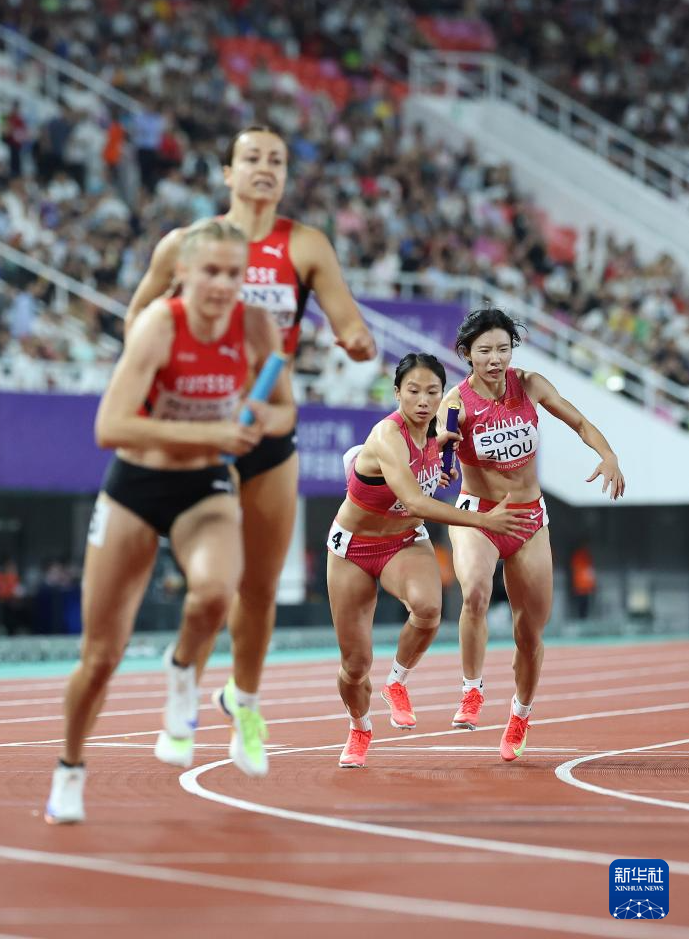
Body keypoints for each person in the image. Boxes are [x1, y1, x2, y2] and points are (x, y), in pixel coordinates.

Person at [126, 124, 376, 776]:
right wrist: (159, 374)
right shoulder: (187, 244)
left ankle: (246, 704)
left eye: (276, 160)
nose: (264, 168)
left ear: (285, 176)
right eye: (251, 158)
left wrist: (355, 340)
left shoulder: (305, 244)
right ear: (226, 173)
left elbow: (348, 320)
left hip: (269, 428)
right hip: (204, 427)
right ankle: (183, 678)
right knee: (211, 587)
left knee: (260, 587)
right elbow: (138, 316)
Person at [44, 219, 294, 823]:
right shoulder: (160, 324)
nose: (222, 285)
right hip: (136, 485)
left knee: (216, 592)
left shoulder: (255, 325)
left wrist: (263, 417)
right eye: (210, 271)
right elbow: (110, 427)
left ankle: (183, 670)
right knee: (100, 658)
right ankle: (70, 768)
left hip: (204, 485)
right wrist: (213, 432)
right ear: (182, 273)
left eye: (234, 274)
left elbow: (286, 410)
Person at [327, 352, 535, 769]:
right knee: (355, 665)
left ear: (443, 395)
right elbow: (415, 501)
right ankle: (359, 727)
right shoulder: (387, 435)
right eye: (413, 391)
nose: (423, 400)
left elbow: (442, 470)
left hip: (404, 541)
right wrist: (482, 519)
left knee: (427, 610)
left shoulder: (442, 434)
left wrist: (440, 469)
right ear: (397, 393)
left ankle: (396, 682)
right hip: (353, 549)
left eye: (432, 392)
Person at [441, 308, 625, 761]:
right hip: (480, 516)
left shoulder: (531, 385)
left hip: (528, 519)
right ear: (466, 354)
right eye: (485, 351)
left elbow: (579, 422)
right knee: (475, 592)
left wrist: (608, 455)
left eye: (503, 349)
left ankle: (520, 714)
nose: (495, 359)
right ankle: (471, 690)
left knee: (530, 633)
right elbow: (441, 445)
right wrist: (443, 460)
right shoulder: (455, 402)